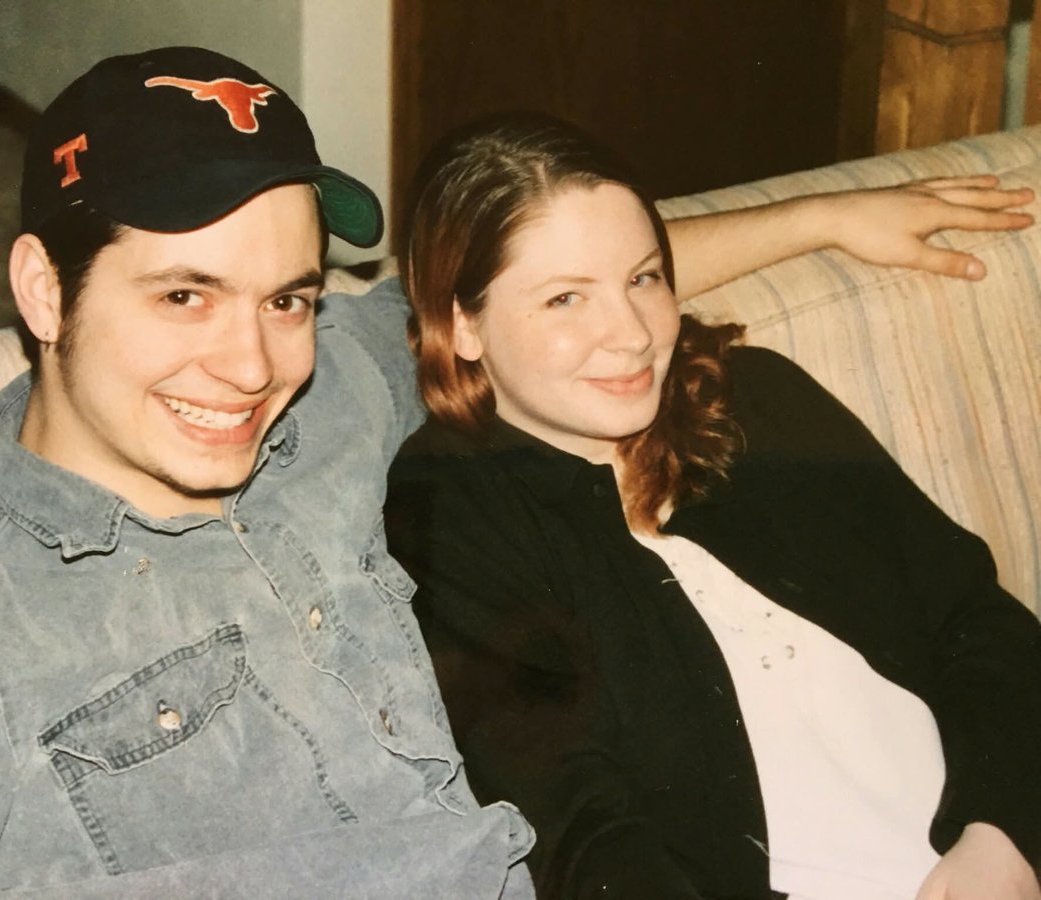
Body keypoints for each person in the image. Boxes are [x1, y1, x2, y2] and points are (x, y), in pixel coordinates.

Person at [0, 44, 1031, 899]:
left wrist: (826, 216)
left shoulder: (341, 391)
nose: (252, 366)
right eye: (185, 296)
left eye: (288, 298)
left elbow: (545, 294)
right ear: (44, 289)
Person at [384, 113, 1041, 900]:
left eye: (644, 278)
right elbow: (574, 821)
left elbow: (978, 622)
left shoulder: (755, 401)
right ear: (462, 325)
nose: (631, 335)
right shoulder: (456, 510)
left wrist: (1001, 835)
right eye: (565, 299)